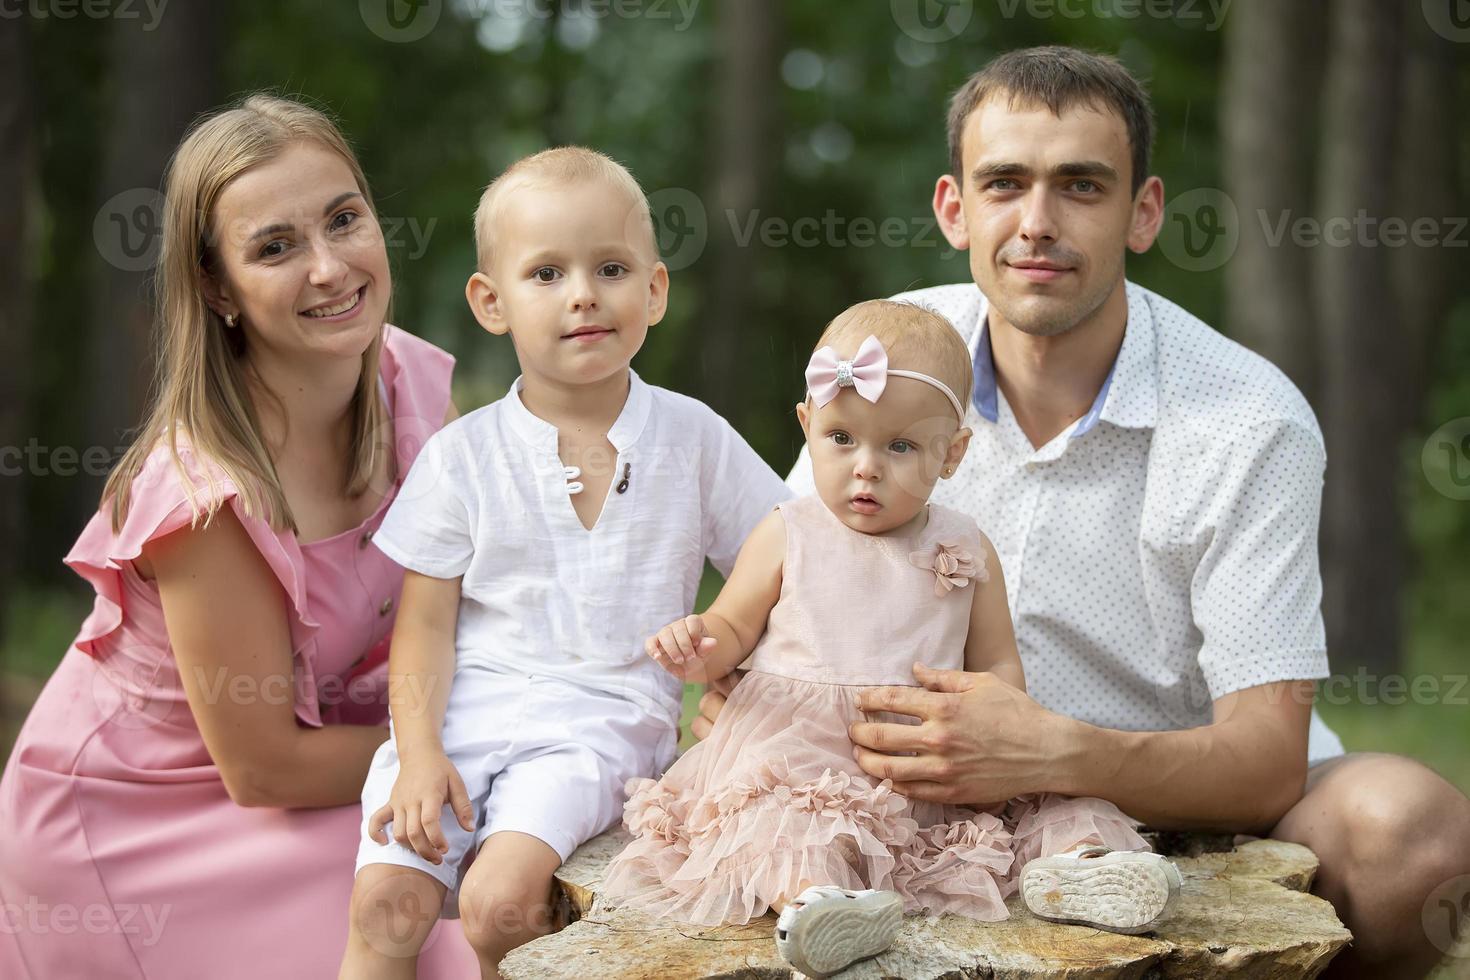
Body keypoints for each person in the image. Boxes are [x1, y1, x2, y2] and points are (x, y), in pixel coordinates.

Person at [696, 46, 1470, 980]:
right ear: (955, 208)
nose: (1036, 223)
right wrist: (754, 697)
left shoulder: (1247, 418)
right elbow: (796, 578)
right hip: (926, 800)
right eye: (1004, 183)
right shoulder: (896, 354)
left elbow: (1267, 760)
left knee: (1417, 841)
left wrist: (1050, 753)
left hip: (1198, 800)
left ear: (1144, 213)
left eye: (1081, 186)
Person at [0, 95, 482, 977]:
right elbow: (264, 771)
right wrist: (476, 748)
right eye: (276, 247)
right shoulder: (207, 496)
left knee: (506, 862)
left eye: (345, 219)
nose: (331, 267)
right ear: (217, 287)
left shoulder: (415, 384)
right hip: (150, 819)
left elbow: (482, 600)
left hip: (344, 754)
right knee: (446, 919)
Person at [604, 301, 1180, 979]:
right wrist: (701, 643)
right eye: (842, 438)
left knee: (1052, 804)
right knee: (785, 822)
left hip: (930, 758)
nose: (866, 467)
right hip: (801, 755)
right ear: (807, 425)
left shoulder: (965, 545)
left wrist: (999, 723)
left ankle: (1082, 872)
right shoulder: (788, 529)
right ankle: (821, 905)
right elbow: (732, 625)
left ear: (952, 453)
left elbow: (994, 659)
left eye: (900, 446)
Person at [338, 147, 790, 980]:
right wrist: (419, 752)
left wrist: (735, 651)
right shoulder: (462, 455)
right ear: (491, 302)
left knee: (500, 905)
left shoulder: (692, 438)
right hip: (464, 711)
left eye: (610, 268)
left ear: (654, 289)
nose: (583, 293)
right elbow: (426, 627)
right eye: (546, 274)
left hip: (601, 720)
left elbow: (783, 549)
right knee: (385, 906)